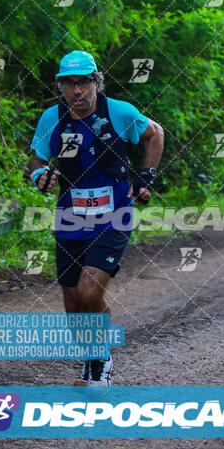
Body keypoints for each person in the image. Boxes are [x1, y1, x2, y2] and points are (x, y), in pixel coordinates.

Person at [29, 50, 164, 385]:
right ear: (60, 86)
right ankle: (91, 358)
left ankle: (101, 361)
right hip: (70, 217)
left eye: (84, 83)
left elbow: (156, 133)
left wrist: (147, 176)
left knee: (90, 292)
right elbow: (36, 160)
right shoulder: (52, 119)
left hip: (114, 214)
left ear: (95, 82)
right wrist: (39, 175)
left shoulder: (118, 113)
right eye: (70, 84)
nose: (77, 91)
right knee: (74, 307)